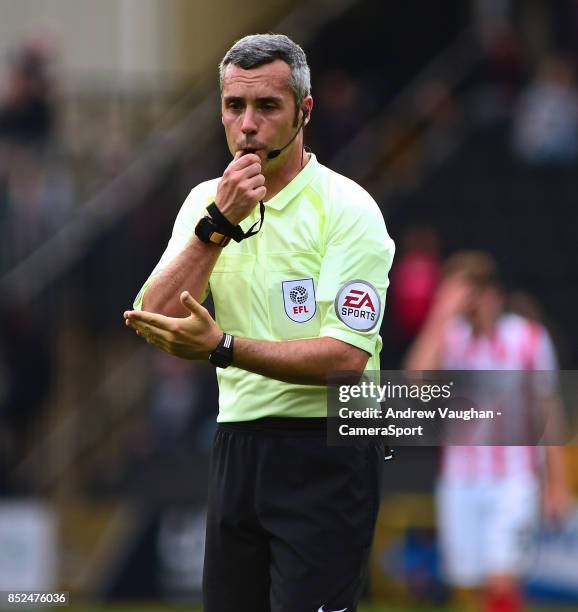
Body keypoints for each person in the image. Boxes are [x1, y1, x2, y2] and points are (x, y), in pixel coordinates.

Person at [124, 34, 395, 612]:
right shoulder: (206, 202)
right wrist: (217, 224)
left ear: (305, 111)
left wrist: (223, 347)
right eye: (234, 107)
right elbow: (153, 319)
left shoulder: (349, 210)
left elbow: (345, 361)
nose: (247, 124)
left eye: (267, 107)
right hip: (238, 443)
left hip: (328, 448)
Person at [404, 251, 570, 612]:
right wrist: (439, 317)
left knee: (502, 578)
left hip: (514, 478)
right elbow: (415, 385)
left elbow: (549, 410)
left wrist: (557, 482)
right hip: (460, 479)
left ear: (489, 292)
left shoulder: (528, 338)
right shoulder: (449, 339)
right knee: (470, 586)